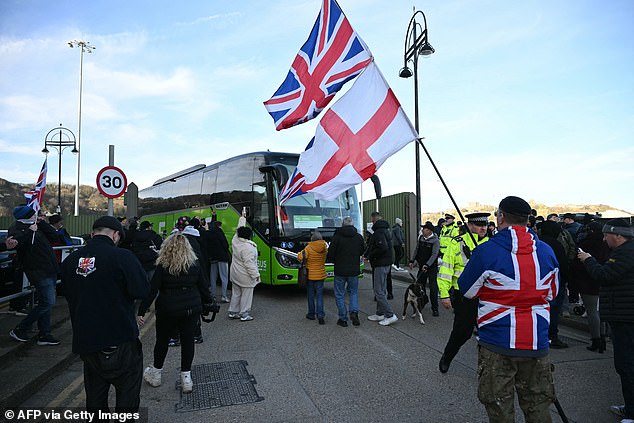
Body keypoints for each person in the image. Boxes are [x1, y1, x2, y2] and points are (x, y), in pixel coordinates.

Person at [458, 196, 559, 422]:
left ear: (501, 217)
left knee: (499, 408)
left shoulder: (486, 252)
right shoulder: (546, 251)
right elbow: (552, 294)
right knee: (538, 407)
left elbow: (467, 290)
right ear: (527, 219)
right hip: (537, 342)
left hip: (497, 341)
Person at [61, 216, 150, 416]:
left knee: (95, 399)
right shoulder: (123, 257)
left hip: (87, 341)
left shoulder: (71, 261)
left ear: (93, 233)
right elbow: (142, 290)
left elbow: (67, 291)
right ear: (116, 235)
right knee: (127, 398)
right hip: (120, 339)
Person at [137, 233, 213, 394]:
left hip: (167, 308)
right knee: (187, 341)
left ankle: (156, 374)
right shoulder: (194, 264)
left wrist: (142, 311)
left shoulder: (163, 266)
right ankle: (186, 378)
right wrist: (208, 303)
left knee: (162, 341)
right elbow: (203, 287)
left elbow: (152, 290)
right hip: (190, 308)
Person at [578, 219, 634, 423]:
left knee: (626, 364)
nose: (604, 239)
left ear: (617, 235)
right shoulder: (626, 251)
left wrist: (588, 260)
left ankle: (632, 412)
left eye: (606, 235)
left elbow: (605, 275)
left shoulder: (626, 253)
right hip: (624, 315)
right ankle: (629, 406)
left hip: (626, 317)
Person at [437, 212, 490, 373]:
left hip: (487, 295)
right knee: (462, 332)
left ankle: (485, 367)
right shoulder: (457, 243)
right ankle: (447, 356)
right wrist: (444, 294)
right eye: (480, 225)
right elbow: (446, 269)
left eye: (485, 225)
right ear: (471, 226)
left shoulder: (492, 244)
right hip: (464, 295)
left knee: (487, 333)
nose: (483, 228)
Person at [8, 206, 61, 346]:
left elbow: (55, 237)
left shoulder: (36, 226)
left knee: (46, 302)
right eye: (34, 214)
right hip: (37, 270)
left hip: (48, 269)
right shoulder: (17, 228)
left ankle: (45, 333)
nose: (36, 216)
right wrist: (29, 231)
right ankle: (21, 328)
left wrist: (42, 223)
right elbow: (18, 243)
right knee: (48, 302)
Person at [571, 221, 610, 352]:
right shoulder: (608, 243)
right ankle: (603, 339)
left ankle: (596, 340)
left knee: (592, 311)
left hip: (587, 282)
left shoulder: (585, 244)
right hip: (604, 281)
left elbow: (577, 265)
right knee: (600, 312)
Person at [327, 217, 365, 327]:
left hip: (340, 270)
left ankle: (343, 318)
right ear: (353, 225)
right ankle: (353, 312)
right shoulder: (358, 237)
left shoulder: (337, 237)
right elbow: (362, 250)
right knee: (353, 292)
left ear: (342, 225)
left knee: (339, 294)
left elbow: (331, 254)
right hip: (353, 270)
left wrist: (335, 260)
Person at [538, 220, 570, 349]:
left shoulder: (536, 242)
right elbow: (563, 265)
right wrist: (565, 280)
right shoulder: (556, 245)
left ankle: (539, 334)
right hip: (555, 284)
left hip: (538, 282)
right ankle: (552, 336)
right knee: (554, 312)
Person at [365, 211, 398, 326]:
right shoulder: (386, 231)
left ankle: (390, 314)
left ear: (375, 220)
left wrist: (370, 255)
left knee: (378, 291)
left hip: (380, 263)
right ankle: (380, 313)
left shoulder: (378, 233)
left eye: (372, 220)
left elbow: (381, 248)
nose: (372, 222)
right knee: (382, 289)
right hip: (386, 263)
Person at [228, 215, 260, 321]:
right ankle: (244, 313)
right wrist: (256, 275)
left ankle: (233, 312)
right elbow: (249, 264)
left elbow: (239, 228)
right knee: (246, 294)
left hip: (235, 273)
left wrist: (242, 219)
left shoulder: (235, 241)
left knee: (236, 293)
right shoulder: (248, 248)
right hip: (245, 275)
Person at [409, 222, 440, 317]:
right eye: (423, 229)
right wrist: (412, 260)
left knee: (433, 288)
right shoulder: (421, 238)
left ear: (430, 231)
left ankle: (435, 308)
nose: (422, 231)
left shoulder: (435, 241)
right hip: (422, 267)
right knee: (420, 286)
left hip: (431, 267)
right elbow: (416, 250)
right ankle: (422, 302)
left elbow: (434, 255)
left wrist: (427, 265)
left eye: (425, 229)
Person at [298, 231, 328, 325]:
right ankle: (321, 315)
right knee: (319, 296)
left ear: (312, 239)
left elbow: (300, 257)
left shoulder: (308, 248)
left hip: (310, 275)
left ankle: (311, 314)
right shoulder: (324, 247)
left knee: (311, 295)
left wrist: (300, 253)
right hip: (321, 275)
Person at [207, 219, 230, 303]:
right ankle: (224, 296)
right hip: (222, 257)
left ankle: (213, 296)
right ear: (219, 226)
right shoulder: (220, 232)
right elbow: (225, 245)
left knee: (213, 277)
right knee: (224, 277)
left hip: (213, 257)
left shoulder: (209, 233)